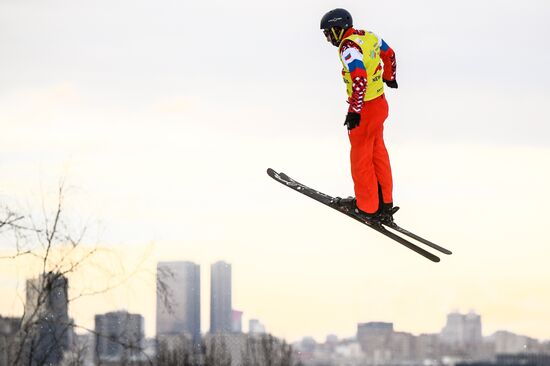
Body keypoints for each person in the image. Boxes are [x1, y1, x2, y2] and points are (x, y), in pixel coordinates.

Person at [320, 8, 399, 223]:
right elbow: (389, 53)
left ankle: (367, 208)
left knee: (361, 157)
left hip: (364, 109)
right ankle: (385, 204)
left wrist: (354, 111)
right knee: (378, 152)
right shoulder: (368, 36)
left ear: (338, 29)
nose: (328, 39)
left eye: (328, 34)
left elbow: (359, 77)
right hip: (380, 104)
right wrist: (389, 77)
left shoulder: (349, 47)